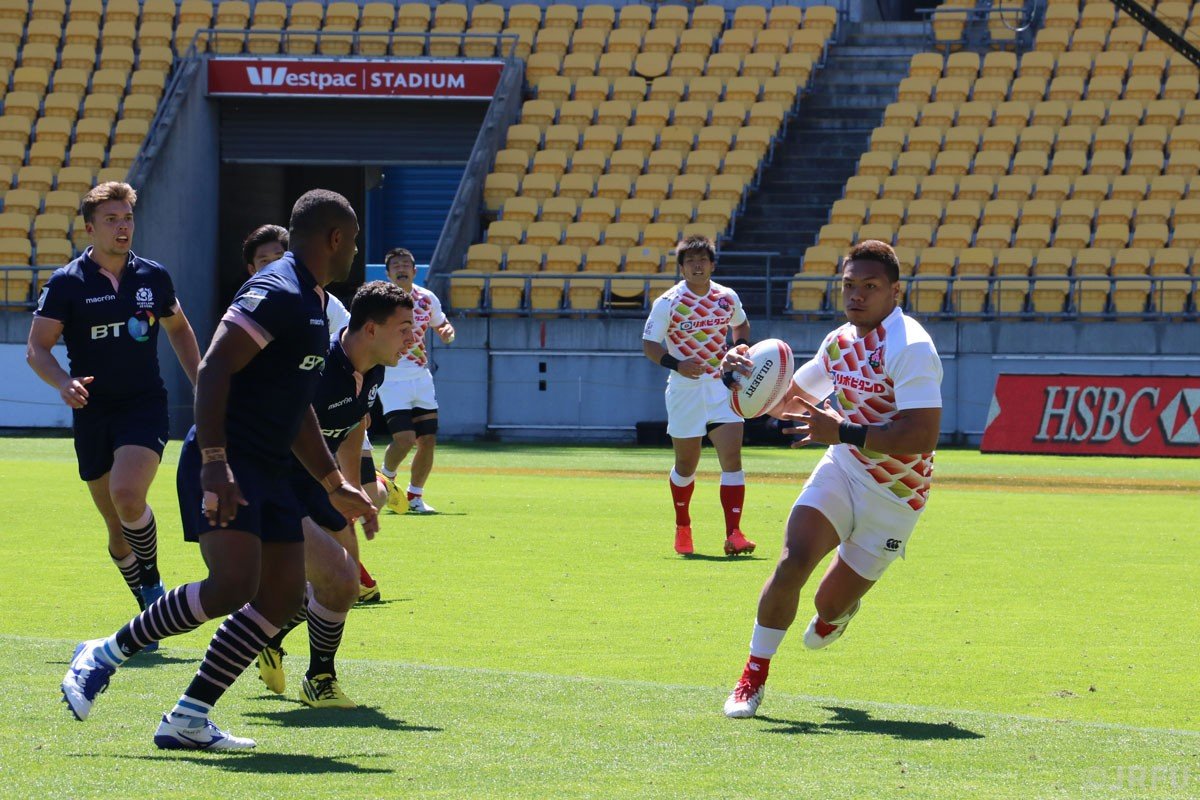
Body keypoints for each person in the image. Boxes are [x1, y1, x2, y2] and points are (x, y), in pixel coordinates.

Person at [60, 189, 377, 751]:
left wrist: (335, 484)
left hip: (270, 467)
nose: (355, 249)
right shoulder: (277, 289)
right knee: (232, 586)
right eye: (352, 238)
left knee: (278, 599)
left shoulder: (312, 298)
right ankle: (103, 653)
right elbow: (213, 369)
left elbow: (295, 405)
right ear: (334, 238)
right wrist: (213, 463)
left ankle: (187, 717)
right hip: (229, 462)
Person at [721, 240, 943, 719]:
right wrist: (740, 377)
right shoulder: (838, 342)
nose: (856, 295)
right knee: (791, 561)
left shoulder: (912, 346)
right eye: (849, 285)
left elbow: (922, 433)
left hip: (898, 494)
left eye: (870, 286)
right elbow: (786, 403)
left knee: (826, 604)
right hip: (844, 467)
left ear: (895, 293)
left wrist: (841, 429)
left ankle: (837, 613)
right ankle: (752, 676)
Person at [26, 181, 201, 639]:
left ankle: (154, 584)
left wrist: (203, 381)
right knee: (116, 528)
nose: (122, 228)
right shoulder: (67, 283)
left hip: (144, 404)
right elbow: (37, 349)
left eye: (127, 218)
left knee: (128, 494)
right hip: (93, 411)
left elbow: (179, 329)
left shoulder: (153, 277)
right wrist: (63, 383)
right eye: (111, 220)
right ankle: (146, 595)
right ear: (89, 228)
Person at [255, 280, 415, 706]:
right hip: (269, 480)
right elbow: (281, 430)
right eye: (403, 328)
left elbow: (351, 431)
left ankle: (275, 642)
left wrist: (347, 493)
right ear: (370, 329)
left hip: (314, 483)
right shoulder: (319, 369)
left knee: (340, 583)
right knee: (335, 580)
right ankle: (315, 676)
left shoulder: (374, 368)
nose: (412, 338)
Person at [243, 223, 381, 603]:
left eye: (277, 258)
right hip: (280, 436)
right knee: (232, 585)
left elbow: (338, 368)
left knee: (365, 498)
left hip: (331, 420)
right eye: (262, 261)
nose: (270, 266)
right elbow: (217, 372)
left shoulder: (325, 308)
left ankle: (332, 575)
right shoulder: (251, 306)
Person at [641, 235, 755, 557]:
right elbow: (649, 345)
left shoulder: (726, 297)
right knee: (686, 465)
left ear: (712, 264)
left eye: (702, 259)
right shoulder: (668, 302)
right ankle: (683, 527)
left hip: (721, 388)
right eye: (690, 260)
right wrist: (676, 363)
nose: (697, 265)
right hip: (685, 391)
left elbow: (741, 326)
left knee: (732, 461)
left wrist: (736, 351)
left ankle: (734, 534)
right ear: (681, 267)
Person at [376, 247, 455, 515]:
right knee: (405, 439)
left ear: (414, 270)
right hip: (391, 376)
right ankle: (385, 479)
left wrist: (446, 331)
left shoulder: (426, 298)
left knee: (428, 439)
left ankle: (415, 497)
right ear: (387, 273)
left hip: (421, 377)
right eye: (395, 265)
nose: (401, 268)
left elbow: (442, 324)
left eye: (406, 264)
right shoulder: (380, 301)